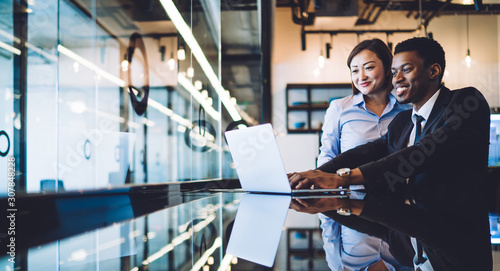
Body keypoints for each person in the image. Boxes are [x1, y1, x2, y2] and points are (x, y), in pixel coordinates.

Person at [289, 37, 492, 270]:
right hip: (416, 239)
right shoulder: (403, 121)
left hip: (458, 242)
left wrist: (342, 180)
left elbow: (425, 152)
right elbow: (367, 151)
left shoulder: (465, 101)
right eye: (394, 72)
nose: (396, 79)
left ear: (433, 70)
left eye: (406, 69)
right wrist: (312, 176)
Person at [316, 38, 409, 271]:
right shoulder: (339, 108)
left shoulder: (408, 108)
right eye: (354, 70)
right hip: (350, 202)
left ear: (388, 68)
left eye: (369, 67)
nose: (361, 76)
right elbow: (327, 154)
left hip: (399, 202)